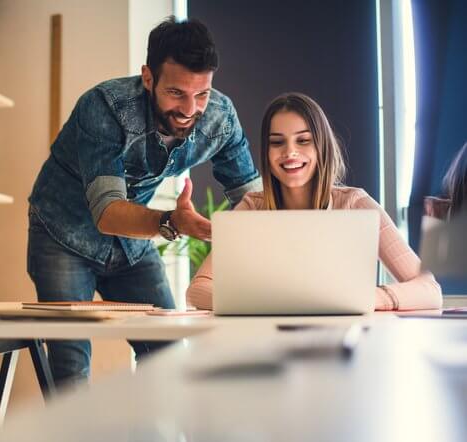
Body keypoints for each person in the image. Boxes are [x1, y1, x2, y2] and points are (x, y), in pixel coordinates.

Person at [28, 17, 262, 387]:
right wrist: (173, 221)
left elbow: (255, 200)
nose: (189, 109)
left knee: (167, 352)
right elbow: (107, 212)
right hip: (62, 235)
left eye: (201, 94)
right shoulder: (104, 106)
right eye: (176, 93)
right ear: (148, 77)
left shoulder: (219, 118)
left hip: (131, 245)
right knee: (70, 369)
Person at [187, 92, 442, 311]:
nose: (289, 152)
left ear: (321, 146)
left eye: (303, 140)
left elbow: (430, 289)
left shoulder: (356, 204)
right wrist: (277, 301)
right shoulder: (252, 208)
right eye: (277, 142)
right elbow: (198, 290)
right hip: (269, 343)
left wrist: (364, 298)